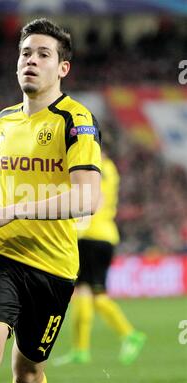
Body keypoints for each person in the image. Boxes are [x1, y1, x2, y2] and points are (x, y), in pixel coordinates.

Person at [0, 18, 102, 383]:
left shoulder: (76, 121)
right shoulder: (5, 119)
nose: (31, 60)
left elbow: (86, 198)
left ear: (62, 68)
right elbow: (7, 186)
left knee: (27, 374)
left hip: (53, 267)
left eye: (43, 54)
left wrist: (13, 210)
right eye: (25, 52)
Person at [53, 133, 146, 367]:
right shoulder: (107, 168)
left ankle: (130, 334)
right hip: (96, 236)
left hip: (94, 236)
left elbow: (91, 199)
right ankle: (80, 350)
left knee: (97, 294)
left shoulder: (99, 167)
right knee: (83, 293)